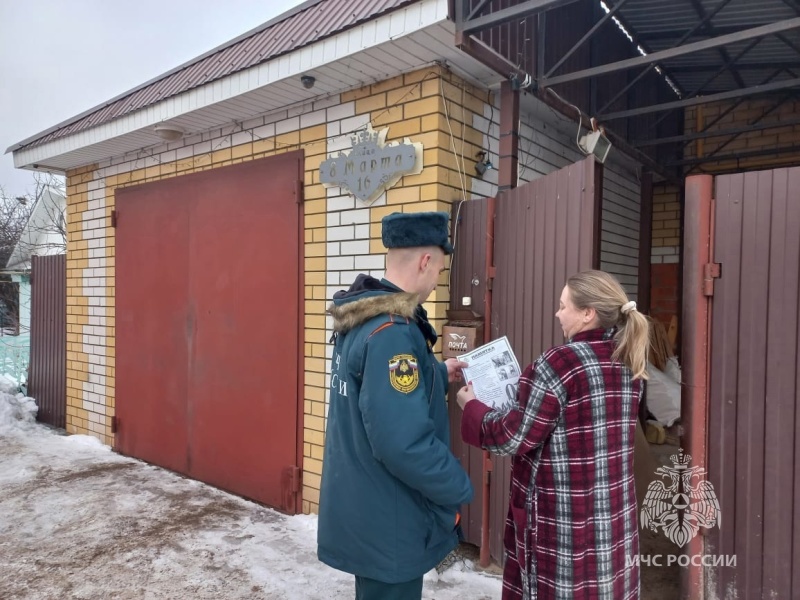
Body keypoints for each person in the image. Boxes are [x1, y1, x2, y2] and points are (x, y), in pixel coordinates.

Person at [456, 270, 648, 600]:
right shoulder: (629, 361)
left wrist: (471, 406)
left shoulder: (560, 362)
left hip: (560, 521)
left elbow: (510, 436)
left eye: (563, 306)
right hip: (611, 515)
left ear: (587, 313)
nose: (558, 313)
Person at [318, 211, 474, 600]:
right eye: (439, 269)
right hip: (389, 519)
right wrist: (456, 485)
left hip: (365, 508)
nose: (437, 282)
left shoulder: (363, 316)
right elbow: (401, 442)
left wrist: (438, 372)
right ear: (425, 261)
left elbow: (373, 391)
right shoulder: (392, 333)